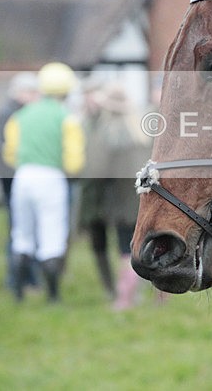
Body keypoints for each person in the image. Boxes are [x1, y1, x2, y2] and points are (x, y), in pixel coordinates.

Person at [3, 62, 84, 302]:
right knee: (52, 237)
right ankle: (53, 296)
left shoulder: (21, 115)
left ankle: (18, 295)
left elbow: (9, 153)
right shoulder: (67, 118)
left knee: (22, 235)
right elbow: (74, 162)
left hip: (23, 176)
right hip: (51, 177)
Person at [79, 80, 159, 309]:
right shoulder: (142, 131)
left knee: (127, 252)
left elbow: (95, 172)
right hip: (147, 200)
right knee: (150, 248)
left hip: (122, 204)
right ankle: (160, 295)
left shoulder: (108, 134)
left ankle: (124, 299)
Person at [0, 72, 40, 291]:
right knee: (20, 230)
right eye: (30, 91)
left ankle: (28, 279)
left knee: (25, 230)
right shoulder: (8, 116)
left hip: (20, 179)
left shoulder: (19, 113)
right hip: (14, 182)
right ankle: (18, 279)